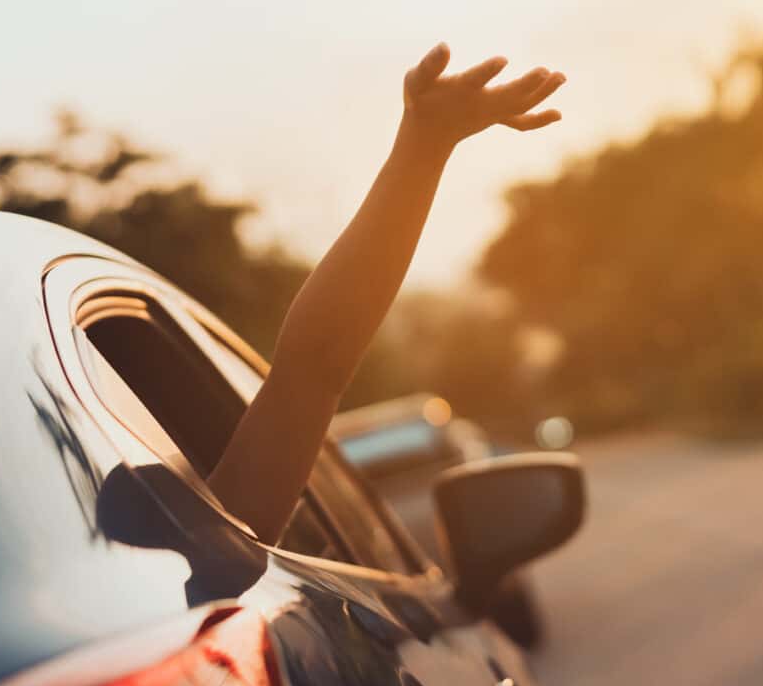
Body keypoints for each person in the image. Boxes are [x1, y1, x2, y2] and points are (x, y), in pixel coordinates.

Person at [207, 43, 566, 543]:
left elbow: (313, 370)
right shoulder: (208, 558)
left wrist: (426, 145)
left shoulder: (209, 553)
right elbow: (312, 370)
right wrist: (425, 144)